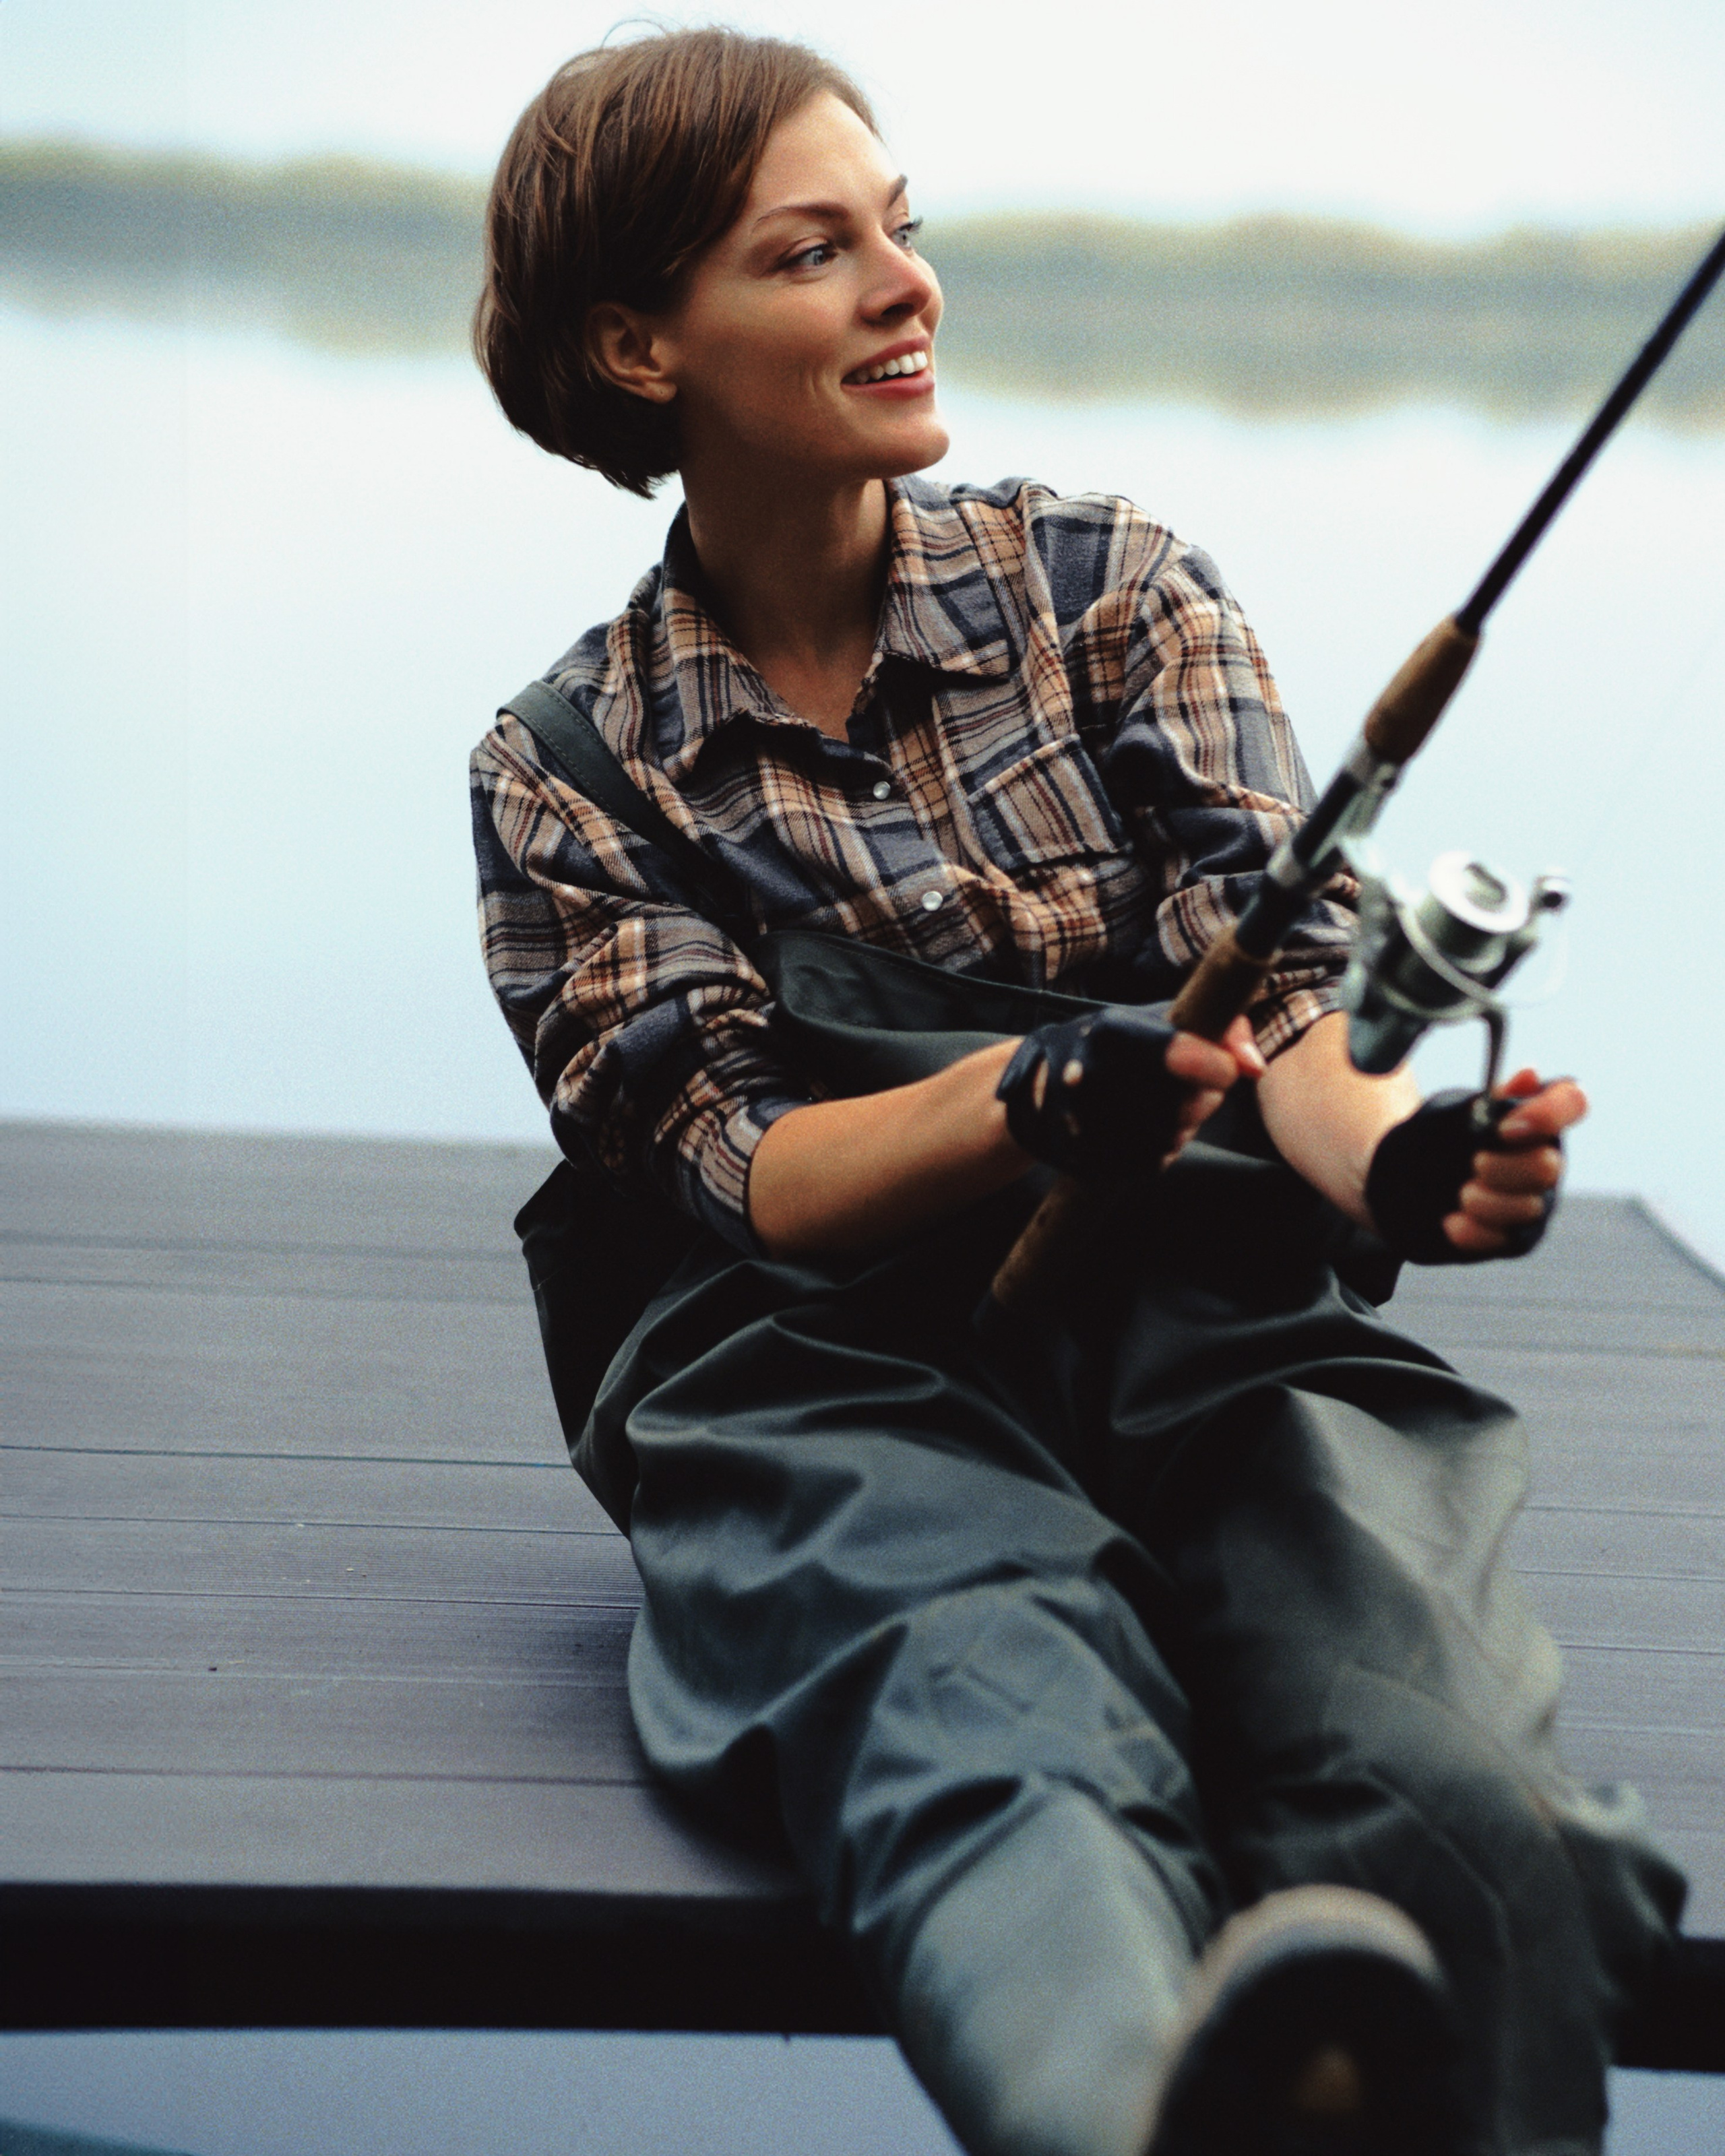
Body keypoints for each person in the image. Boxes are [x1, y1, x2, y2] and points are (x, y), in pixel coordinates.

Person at [468, 30, 1683, 2156]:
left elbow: (1289, 1013)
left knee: (1475, 1810)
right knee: (996, 1741)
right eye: (812, 251)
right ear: (637, 344)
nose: (904, 284)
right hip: (818, 1379)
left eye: (905, 231)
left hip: (1212, 1330)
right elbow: (752, 1171)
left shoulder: (1114, 589)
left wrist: (1403, 1169)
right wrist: (1030, 1098)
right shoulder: (567, 767)